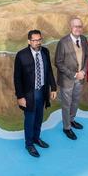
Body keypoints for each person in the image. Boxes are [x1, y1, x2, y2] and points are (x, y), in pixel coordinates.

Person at [13, 30, 57, 158]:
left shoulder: (45, 52)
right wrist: (20, 97)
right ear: (29, 41)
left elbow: (48, 71)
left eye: (39, 40)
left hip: (42, 92)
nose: (37, 43)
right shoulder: (21, 55)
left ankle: (37, 138)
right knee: (30, 120)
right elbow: (17, 78)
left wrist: (53, 88)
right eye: (34, 40)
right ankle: (29, 144)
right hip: (29, 94)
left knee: (39, 117)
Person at [55, 17, 88, 140]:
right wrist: (74, 74)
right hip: (68, 79)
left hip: (80, 78)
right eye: (75, 26)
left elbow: (87, 57)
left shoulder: (84, 40)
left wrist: (84, 71)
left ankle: (72, 119)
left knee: (75, 101)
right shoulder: (63, 42)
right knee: (66, 104)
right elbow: (58, 62)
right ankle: (67, 127)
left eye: (80, 26)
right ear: (71, 27)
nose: (77, 29)